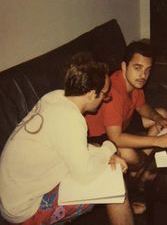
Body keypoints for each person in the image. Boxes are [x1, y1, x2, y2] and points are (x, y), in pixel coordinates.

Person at [0, 52, 135, 225]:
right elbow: (85, 174)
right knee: (115, 184)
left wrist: (104, 154)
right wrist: (108, 148)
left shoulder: (55, 97)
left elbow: (70, 144)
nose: (104, 99)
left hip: (12, 195)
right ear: (91, 94)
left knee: (103, 162)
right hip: (25, 211)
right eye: (104, 94)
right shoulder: (72, 120)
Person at [86, 40, 167, 183]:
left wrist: (158, 119)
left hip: (124, 123)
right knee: (128, 154)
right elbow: (115, 138)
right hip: (102, 136)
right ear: (124, 66)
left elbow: (141, 107)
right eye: (137, 68)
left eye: (147, 70)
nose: (143, 75)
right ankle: (140, 169)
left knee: (162, 113)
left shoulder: (135, 83)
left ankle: (140, 165)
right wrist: (157, 141)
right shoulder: (114, 91)